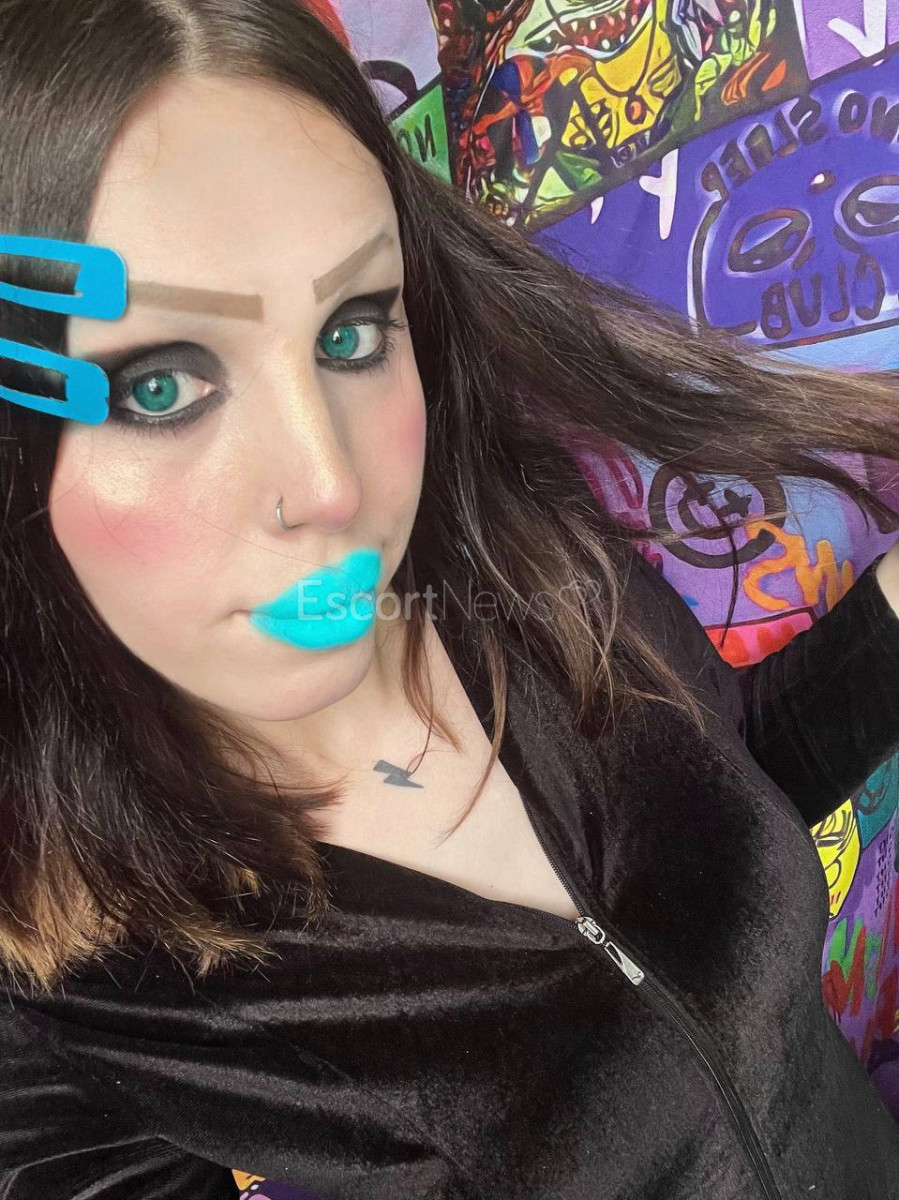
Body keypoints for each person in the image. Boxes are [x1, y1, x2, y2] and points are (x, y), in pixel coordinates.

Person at [1, 2, 899, 1198]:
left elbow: (715, 802)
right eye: (158, 385)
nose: (329, 484)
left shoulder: (522, 560)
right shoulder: (66, 984)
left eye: (351, 331)